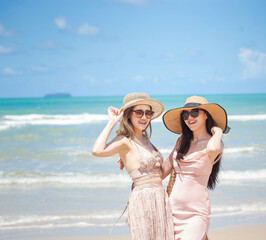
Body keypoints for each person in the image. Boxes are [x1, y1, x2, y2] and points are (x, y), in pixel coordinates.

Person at [92, 92, 174, 240]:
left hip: (160, 198)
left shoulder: (146, 141)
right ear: (129, 114)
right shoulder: (124, 140)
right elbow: (97, 151)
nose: (144, 117)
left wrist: (178, 149)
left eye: (148, 113)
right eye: (139, 112)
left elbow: (159, 175)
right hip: (142, 200)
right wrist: (112, 121)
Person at [161, 95, 229, 240]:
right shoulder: (181, 142)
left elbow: (212, 150)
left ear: (205, 115)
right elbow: (164, 169)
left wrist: (218, 133)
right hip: (171, 210)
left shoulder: (214, 143)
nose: (189, 117)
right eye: (185, 114)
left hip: (196, 213)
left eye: (195, 112)